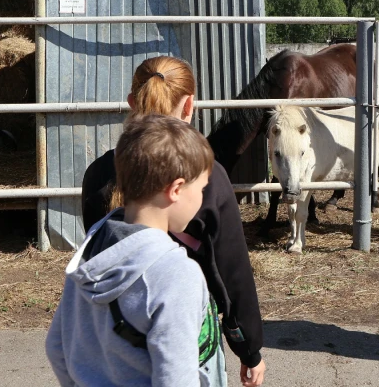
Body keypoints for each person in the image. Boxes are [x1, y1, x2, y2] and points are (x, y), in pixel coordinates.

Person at [81, 57, 267, 387]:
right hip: (190, 346)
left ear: (131, 103)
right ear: (190, 106)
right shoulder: (207, 177)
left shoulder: (97, 175)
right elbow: (232, 271)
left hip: (114, 346)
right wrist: (248, 348)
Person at [46, 114, 221, 386]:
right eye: (201, 188)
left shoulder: (94, 247)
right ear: (176, 189)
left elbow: (56, 346)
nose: (203, 198)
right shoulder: (177, 274)